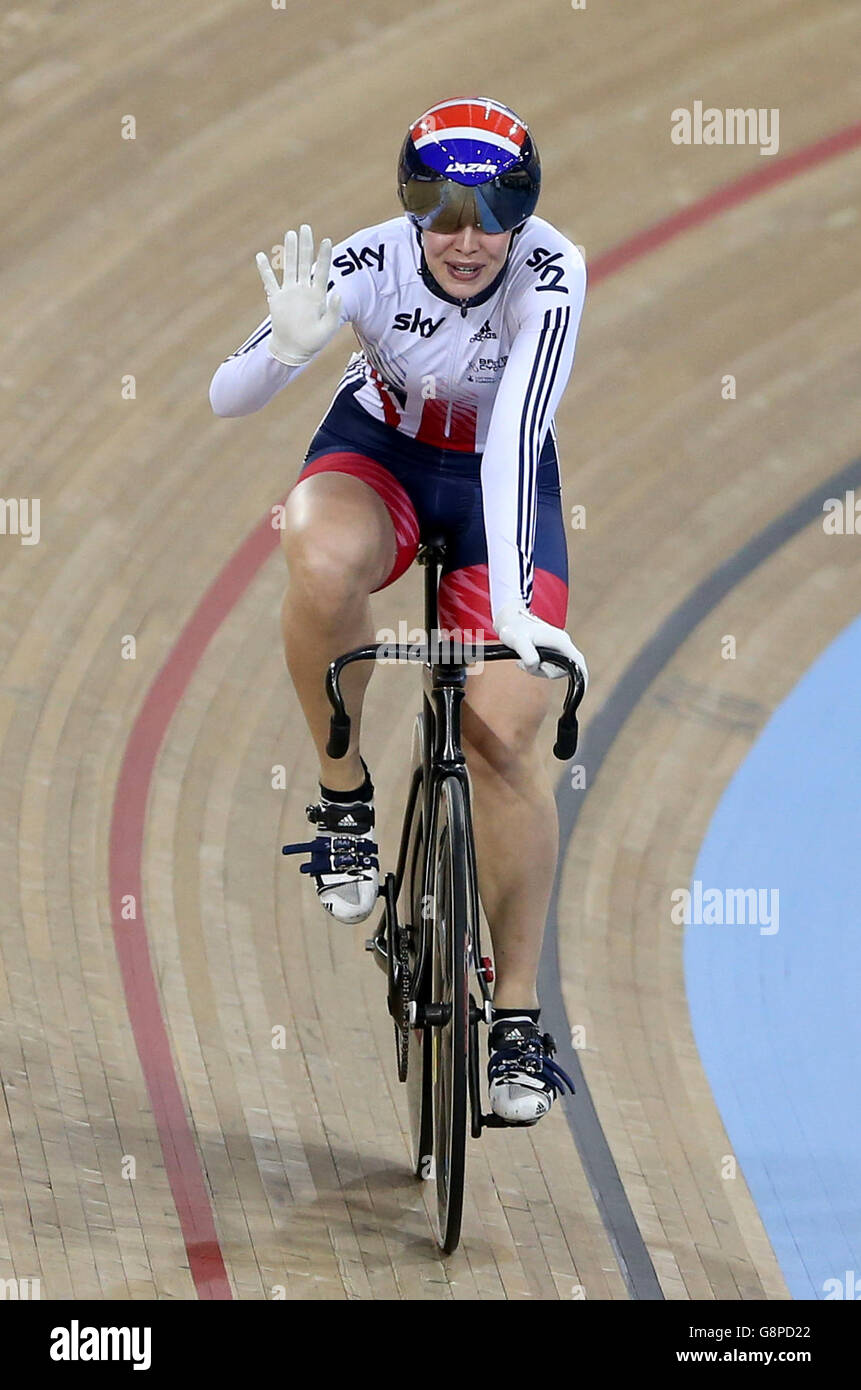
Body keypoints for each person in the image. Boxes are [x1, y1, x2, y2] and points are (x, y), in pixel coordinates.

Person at [210, 97, 588, 1125]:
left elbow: (516, 436)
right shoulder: (367, 263)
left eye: (491, 214)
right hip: (379, 456)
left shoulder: (552, 275)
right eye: (440, 211)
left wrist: (513, 611)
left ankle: (515, 1014)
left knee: (504, 734)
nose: (465, 240)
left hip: (498, 486)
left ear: (525, 213)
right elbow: (225, 396)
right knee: (315, 550)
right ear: (409, 206)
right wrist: (286, 350)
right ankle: (342, 798)